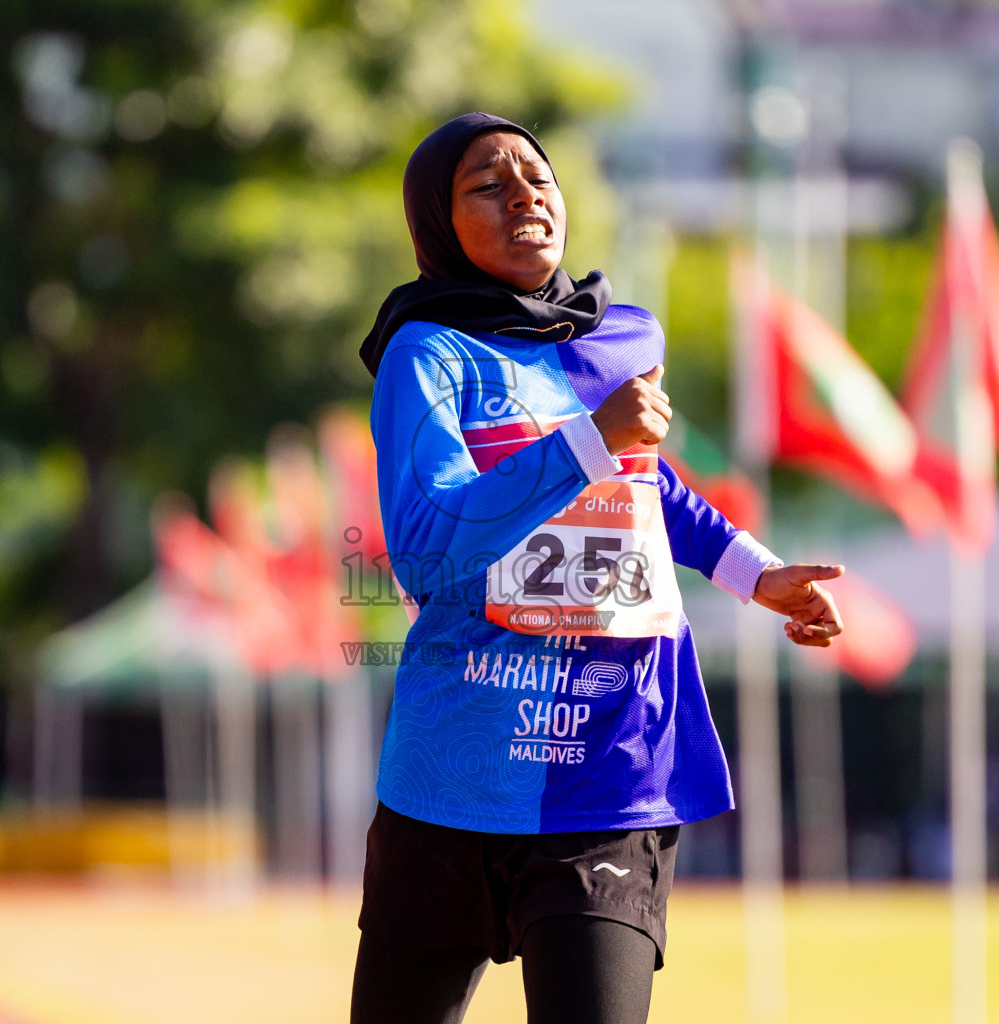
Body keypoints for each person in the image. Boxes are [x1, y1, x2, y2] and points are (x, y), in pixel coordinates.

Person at [352, 112, 845, 1024]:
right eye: (486, 185)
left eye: (536, 176)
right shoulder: (428, 352)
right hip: (456, 770)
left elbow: (646, 492)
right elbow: (427, 550)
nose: (523, 197)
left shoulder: (623, 339)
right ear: (436, 223)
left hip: (610, 763)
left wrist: (753, 572)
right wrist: (588, 441)